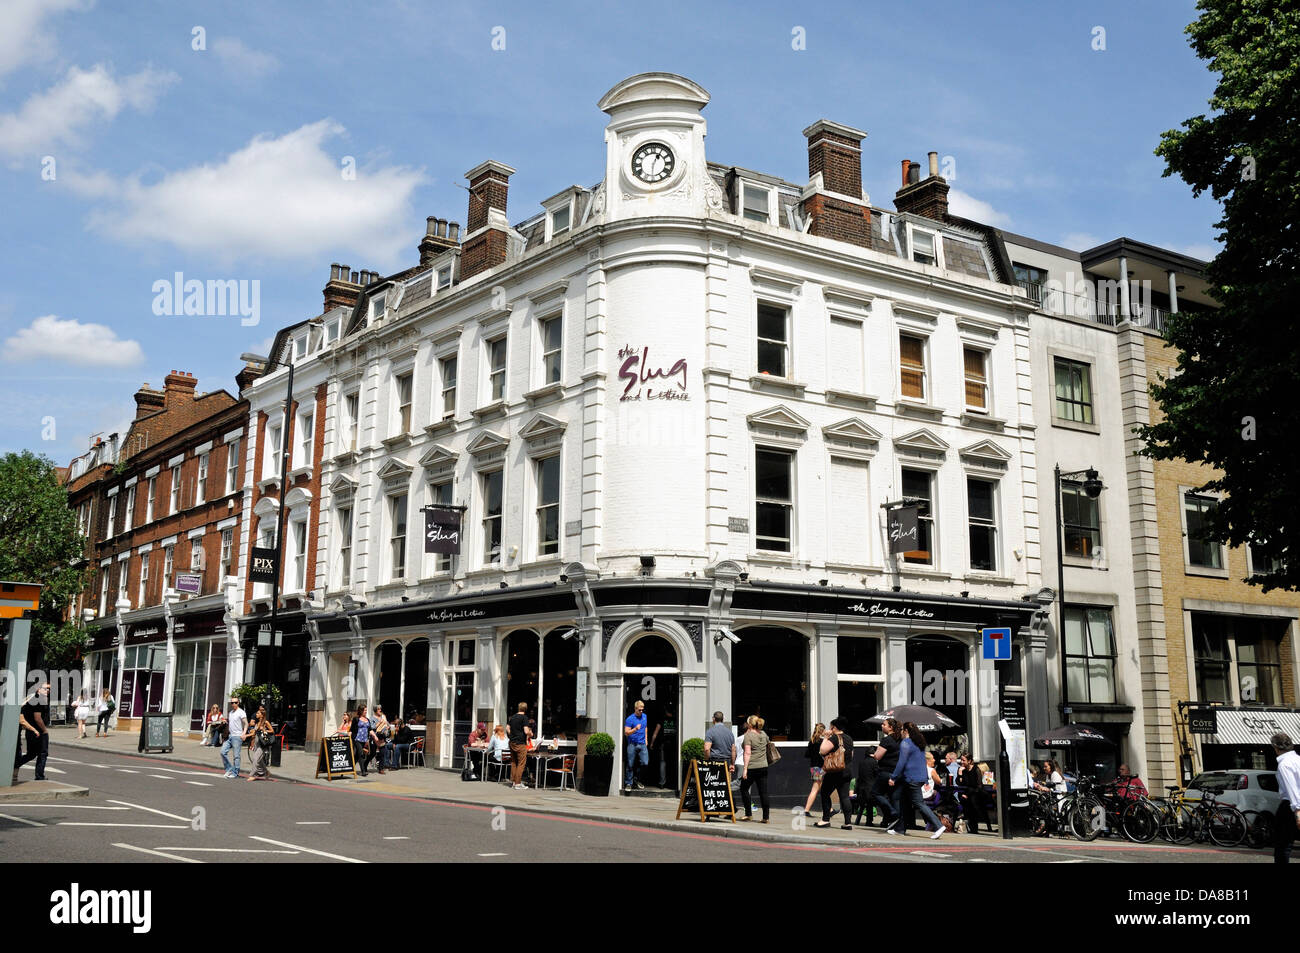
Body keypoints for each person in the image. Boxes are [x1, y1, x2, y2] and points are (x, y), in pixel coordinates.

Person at [887, 722, 946, 839]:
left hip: (911, 778)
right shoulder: (919, 743)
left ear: (906, 731)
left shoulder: (906, 743)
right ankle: (900, 829)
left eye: (902, 730)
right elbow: (921, 762)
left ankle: (939, 826)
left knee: (919, 803)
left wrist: (893, 777)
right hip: (918, 777)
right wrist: (925, 779)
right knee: (903, 802)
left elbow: (901, 762)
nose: (900, 732)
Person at [815, 717, 854, 830]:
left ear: (834, 727)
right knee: (844, 797)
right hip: (846, 770)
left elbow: (822, 750)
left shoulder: (834, 738)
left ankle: (825, 820)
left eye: (830, 726)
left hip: (834, 771)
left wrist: (826, 738)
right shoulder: (849, 738)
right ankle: (848, 823)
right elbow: (851, 755)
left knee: (825, 793)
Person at [1271, 732, 1300, 864]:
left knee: (1283, 845)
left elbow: (1291, 787)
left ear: (1276, 748)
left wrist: (1297, 810)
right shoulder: (1298, 760)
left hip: (1290, 806)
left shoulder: (1284, 764)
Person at [14, 685, 51, 782]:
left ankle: (14, 765)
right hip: (38, 731)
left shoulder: (33, 699)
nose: (47, 690)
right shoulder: (39, 700)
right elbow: (37, 718)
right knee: (43, 753)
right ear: (38, 689)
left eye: (49, 689)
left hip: (30, 731)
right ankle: (39, 776)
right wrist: (44, 730)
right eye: (45, 688)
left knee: (31, 754)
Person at [739, 715, 771, 823]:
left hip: (752, 766)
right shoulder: (764, 734)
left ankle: (748, 814)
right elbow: (768, 745)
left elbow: (747, 753)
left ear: (749, 724)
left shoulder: (748, 736)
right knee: (763, 792)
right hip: (763, 766)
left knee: (744, 788)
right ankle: (766, 817)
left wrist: (745, 769)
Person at [872, 718, 903, 828]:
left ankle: (891, 812)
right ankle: (897, 824)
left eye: (884, 724)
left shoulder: (886, 740)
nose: (882, 726)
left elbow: (878, 756)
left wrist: (874, 755)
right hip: (898, 773)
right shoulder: (901, 740)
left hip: (886, 771)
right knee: (894, 797)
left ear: (890, 727)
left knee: (875, 793)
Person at [958, 752, 989, 834]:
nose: (961, 762)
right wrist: (960, 774)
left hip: (978, 793)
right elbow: (960, 783)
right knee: (964, 800)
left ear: (969, 761)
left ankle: (973, 825)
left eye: (963, 760)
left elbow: (979, 786)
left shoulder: (976, 769)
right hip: (968, 794)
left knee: (972, 800)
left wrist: (967, 794)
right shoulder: (963, 771)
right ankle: (970, 824)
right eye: (961, 760)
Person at [623, 700, 648, 791]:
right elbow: (626, 732)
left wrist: (646, 739)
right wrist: (635, 729)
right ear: (635, 709)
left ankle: (637, 779)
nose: (641, 712)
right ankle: (628, 783)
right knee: (630, 764)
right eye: (639, 710)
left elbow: (645, 728)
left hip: (642, 744)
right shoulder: (630, 719)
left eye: (642, 710)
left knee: (645, 763)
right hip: (632, 744)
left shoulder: (644, 717)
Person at [803, 722, 826, 817]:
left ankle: (830, 809)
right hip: (820, 767)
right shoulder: (822, 742)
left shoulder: (812, 741)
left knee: (820, 789)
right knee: (815, 789)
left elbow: (807, 754)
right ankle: (806, 810)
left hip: (813, 766)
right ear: (822, 731)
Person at [220, 697, 247, 779]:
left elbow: (246, 724)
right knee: (222, 752)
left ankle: (235, 773)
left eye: (235, 702)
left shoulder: (241, 712)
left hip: (237, 736)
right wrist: (225, 721)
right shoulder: (231, 712)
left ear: (238, 703)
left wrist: (244, 733)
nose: (234, 704)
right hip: (230, 736)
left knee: (236, 756)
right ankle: (229, 769)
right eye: (232, 703)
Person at [508, 702, 532, 790]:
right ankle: (518, 783)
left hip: (512, 742)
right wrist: (530, 733)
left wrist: (512, 735)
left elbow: (507, 728)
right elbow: (526, 731)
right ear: (525, 709)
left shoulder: (513, 717)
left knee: (514, 762)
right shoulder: (524, 718)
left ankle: (514, 782)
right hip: (520, 743)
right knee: (521, 763)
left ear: (518, 708)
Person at [248, 706, 274, 780]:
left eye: (258, 713)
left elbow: (272, 731)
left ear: (262, 715)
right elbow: (254, 734)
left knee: (255, 759)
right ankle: (266, 772)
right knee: (260, 760)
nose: (256, 714)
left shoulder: (265, 722)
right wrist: (251, 743)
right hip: (256, 743)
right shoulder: (257, 722)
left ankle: (252, 775)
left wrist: (264, 730)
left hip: (262, 744)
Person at [351, 703, 373, 776]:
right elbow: (352, 730)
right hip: (357, 739)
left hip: (365, 740)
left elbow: (369, 730)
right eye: (364, 710)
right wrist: (353, 739)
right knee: (361, 754)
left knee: (357, 756)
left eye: (366, 710)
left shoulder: (368, 720)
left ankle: (350, 768)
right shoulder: (356, 719)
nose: (366, 712)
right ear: (361, 711)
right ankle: (363, 771)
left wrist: (370, 739)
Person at [370, 706, 389, 774]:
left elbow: (387, 724)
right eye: (378, 709)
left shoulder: (383, 717)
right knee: (372, 753)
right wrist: (379, 723)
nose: (380, 710)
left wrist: (387, 726)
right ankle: (365, 764)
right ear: (375, 710)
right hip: (375, 737)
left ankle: (381, 769)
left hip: (382, 736)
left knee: (382, 752)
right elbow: (372, 727)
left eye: (380, 709)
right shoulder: (372, 718)